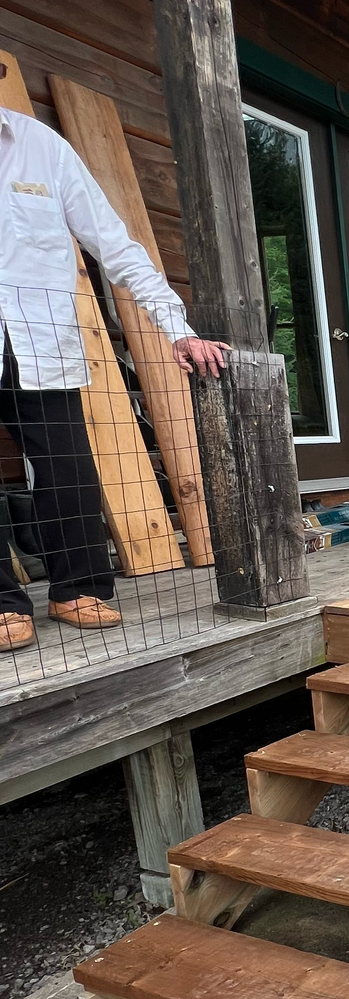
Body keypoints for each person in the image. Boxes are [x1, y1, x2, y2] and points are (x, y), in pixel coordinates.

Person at [0, 102, 228, 652]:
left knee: (68, 468)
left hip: (41, 343)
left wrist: (177, 328)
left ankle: (76, 590)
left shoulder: (41, 147)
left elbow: (114, 242)